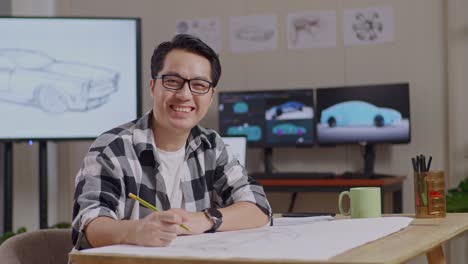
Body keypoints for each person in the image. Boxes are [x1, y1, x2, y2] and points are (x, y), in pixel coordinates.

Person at [72, 34, 271, 249]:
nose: (185, 95)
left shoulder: (211, 146)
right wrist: (136, 230)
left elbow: (259, 207)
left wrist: (204, 219)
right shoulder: (112, 148)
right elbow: (89, 226)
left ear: (211, 96)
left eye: (199, 85)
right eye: (173, 82)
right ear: (153, 87)